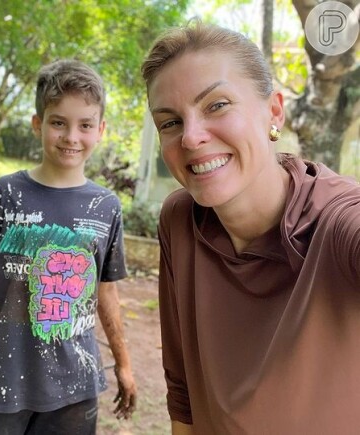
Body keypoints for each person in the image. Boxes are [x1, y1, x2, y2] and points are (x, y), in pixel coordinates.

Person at [141, 22, 360, 435]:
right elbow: (183, 388)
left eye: (217, 105)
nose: (191, 137)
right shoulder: (180, 219)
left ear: (274, 111)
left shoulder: (336, 220)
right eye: (170, 122)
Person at [0, 59, 137, 434]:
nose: (72, 136)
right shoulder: (5, 194)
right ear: (38, 124)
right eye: (59, 122)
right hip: (2, 384)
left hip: (75, 388)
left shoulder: (106, 207)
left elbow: (105, 290)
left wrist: (123, 362)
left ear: (100, 130)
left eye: (85, 125)